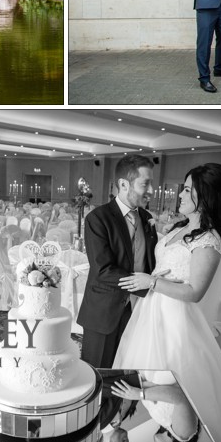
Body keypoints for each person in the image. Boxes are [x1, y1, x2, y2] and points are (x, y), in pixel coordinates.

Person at [112, 164, 221, 442]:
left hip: (177, 321)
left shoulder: (208, 240)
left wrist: (151, 282)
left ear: (203, 197)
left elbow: (194, 291)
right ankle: (167, 420)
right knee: (153, 373)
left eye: (187, 190)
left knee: (173, 379)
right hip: (156, 313)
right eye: (182, 188)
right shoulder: (182, 226)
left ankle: (183, 428)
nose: (179, 194)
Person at [76, 153, 157, 390]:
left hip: (139, 311)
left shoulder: (147, 218)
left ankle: (117, 421)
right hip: (104, 312)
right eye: (145, 184)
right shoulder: (98, 218)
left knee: (127, 372)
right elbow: (103, 270)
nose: (151, 190)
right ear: (123, 184)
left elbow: (148, 261)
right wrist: (146, 284)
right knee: (97, 377)